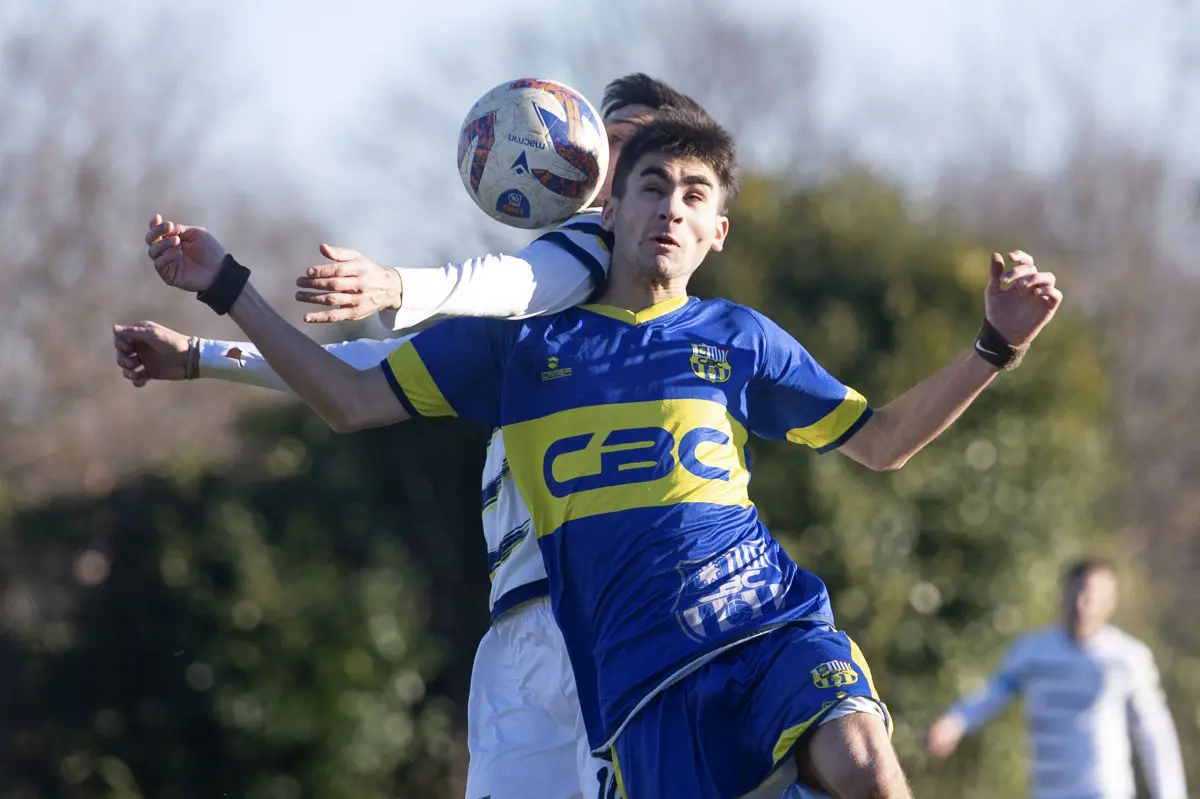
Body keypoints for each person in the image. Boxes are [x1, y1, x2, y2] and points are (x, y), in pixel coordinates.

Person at [140, 110, 1062, 798]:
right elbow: (347, 396)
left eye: (694, 196)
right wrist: (227, 288)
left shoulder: (738, 336)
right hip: (640, 681)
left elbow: (884, 443)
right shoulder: (519, 345)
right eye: (654, 187)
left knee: (868, 762)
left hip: (766, 622)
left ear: (717, 233)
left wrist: (993, 346)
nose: (671, 208)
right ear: (609, 209)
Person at [117, 75, 706, 799]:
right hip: (518, 634)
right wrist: (205, 354)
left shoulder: (596, 266)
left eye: (620, 146)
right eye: (594, 137)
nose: (588, 158)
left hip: (613, 620)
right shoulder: (531, 337)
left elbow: (519, 279)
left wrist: (398, 286)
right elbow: (363, 378)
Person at [927, 558, 1187, 799]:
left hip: (1104, 791)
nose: (1082, 603)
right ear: (1064, 595)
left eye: (1091, 594)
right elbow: (995, 691)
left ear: (1111, 602)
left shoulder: (1127, 658)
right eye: (1076, 591)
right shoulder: (1032, 652)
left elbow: (1154, 731)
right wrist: (957, 720)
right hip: (1049, 791)